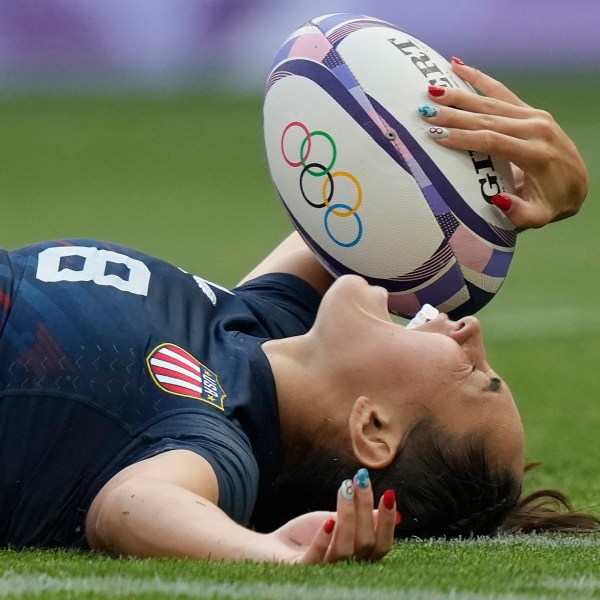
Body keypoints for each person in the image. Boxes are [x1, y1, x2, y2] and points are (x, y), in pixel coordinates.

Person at [0, 61, 596, 563]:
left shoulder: (219, 439)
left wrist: (276, 554)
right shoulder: (262, 332)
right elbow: (375, 209)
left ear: (373, 429)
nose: (472, 331)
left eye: (476, 375)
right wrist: (516, 181)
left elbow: (130, 510)